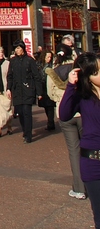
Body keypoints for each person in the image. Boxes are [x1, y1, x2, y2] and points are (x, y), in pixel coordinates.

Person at [59, 53, 100, 229]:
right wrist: (70, 85)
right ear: (87, 75)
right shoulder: (82, 96)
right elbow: (65, 114)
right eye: (97, 71)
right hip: (93, 163)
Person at [47, 51, 86, 199]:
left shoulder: (54, 71)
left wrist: (60, 99)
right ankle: (90, 183)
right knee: (87, 149)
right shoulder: (80, 69)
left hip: (64, 112)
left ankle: (79, 188)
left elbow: (50, 93)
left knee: (74, 151)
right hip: (82, 113)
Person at [6, 40, 43, 143]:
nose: (17, 50)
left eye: (18, 48)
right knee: (20, 113)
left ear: (23, 48)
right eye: (15, 48)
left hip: (28, 90)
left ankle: (28, 135)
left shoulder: (30, 60)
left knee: (27, 112)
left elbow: (37, 76)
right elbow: (10, 76)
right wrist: (9, 88)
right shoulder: (13, 61)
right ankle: (25, 130)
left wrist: (39, 92)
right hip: (17, 91)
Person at [39, 49, 56, 131]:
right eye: (48, 57)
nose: (49, 58)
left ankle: (50, 123)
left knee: (50, 106)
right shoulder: (40, 65)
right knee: (45, 106)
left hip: (49, 86)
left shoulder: (52, 66)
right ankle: (50, 121)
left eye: (50, 57)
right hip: (42, 87)